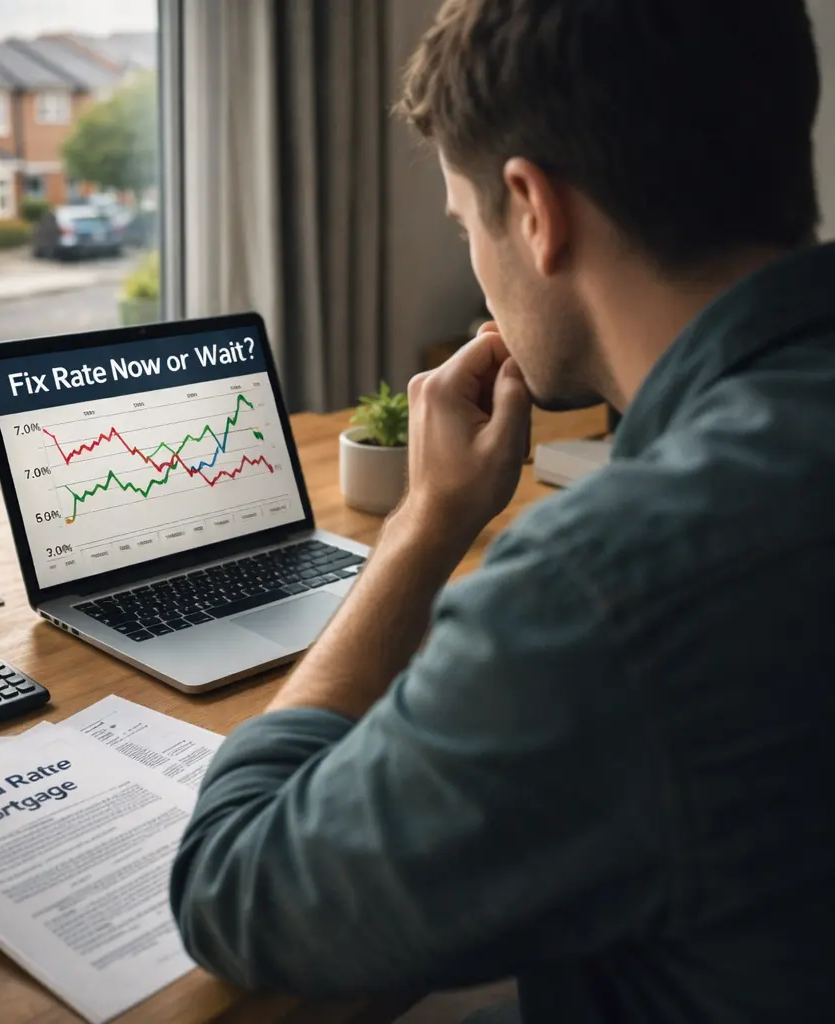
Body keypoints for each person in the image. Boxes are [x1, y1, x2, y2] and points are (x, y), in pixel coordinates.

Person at [170, 0, 835, 1020]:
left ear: (533, 208)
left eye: (462, 221)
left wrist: (425, 525)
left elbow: (234, 888)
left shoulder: (604, 588)